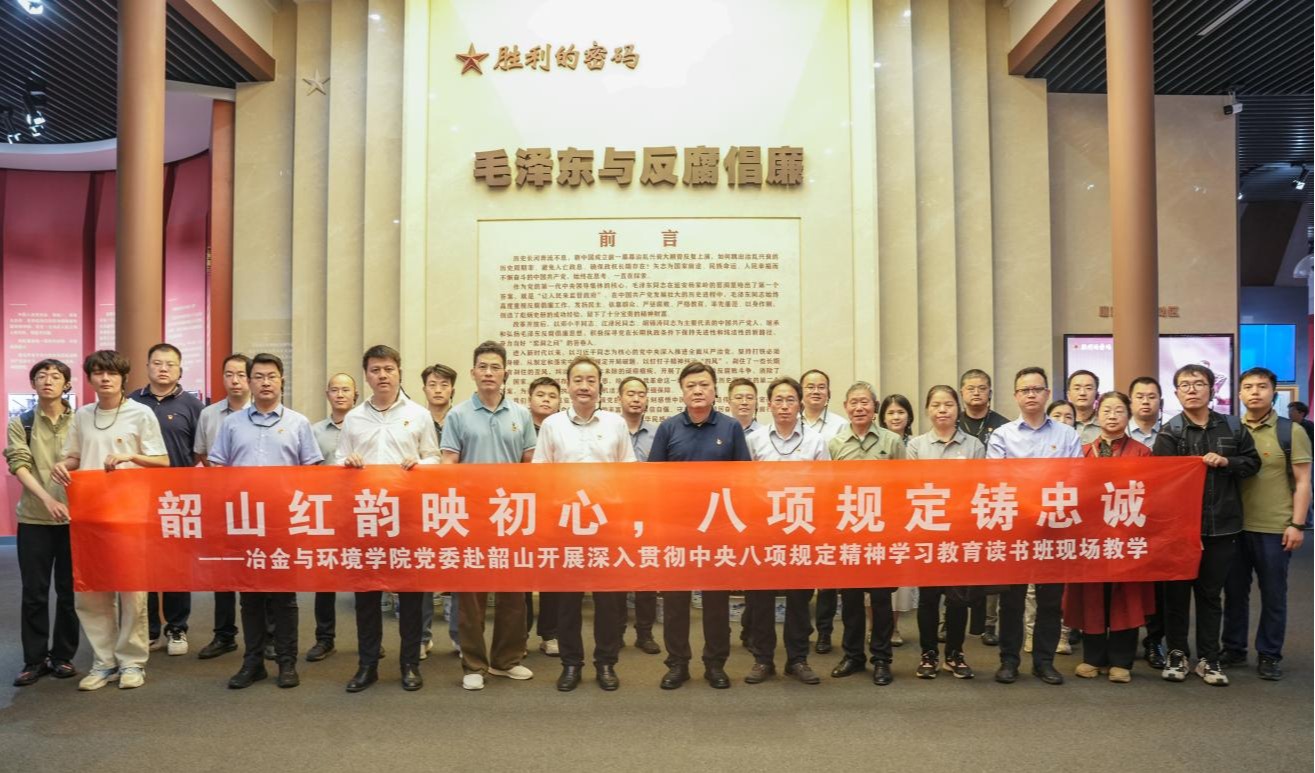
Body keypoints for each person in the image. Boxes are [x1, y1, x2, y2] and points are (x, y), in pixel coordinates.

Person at [52, 350, 169, 690]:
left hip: (130, 515)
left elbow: (162, 460)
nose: (105, 378)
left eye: (112, 373)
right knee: (91, 591)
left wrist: (130, 456)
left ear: (123, 378)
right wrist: (63, 466)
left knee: (132, 591)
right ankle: (103, 661)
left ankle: (132, 661)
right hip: (90, 514)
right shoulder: (82, 415)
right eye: (98, 373)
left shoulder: (140, 413)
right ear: (89, 378)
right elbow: (74, 456)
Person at [209, 353, 323, 689]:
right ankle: (253, 662)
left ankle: (287, 662)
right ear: (249, 382)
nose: (265, 383)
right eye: (258, 377)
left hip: (283, 523)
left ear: (282, 380)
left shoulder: (299, 423)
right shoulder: (232, 424)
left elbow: (312, 472)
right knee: (250, 597)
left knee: (284, 597)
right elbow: (216, 466)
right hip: (245, 523)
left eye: (271, 376)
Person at [336, 345, 440, 692]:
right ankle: (367, 665)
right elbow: (337, 460)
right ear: (366, 375)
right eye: (376, 369)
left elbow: (434, 458)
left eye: (389, 369)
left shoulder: (419, 415)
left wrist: (420, 464)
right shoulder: (354, 418)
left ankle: (410, 664)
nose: (383, 375)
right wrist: (347, 463)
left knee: (410, 596)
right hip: (366, 517)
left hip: (406, 517)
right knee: (366, 596)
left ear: (399, 372)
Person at [533, 355, 636, 691]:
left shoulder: (615, 424)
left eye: (591, 380)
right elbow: (540, 474)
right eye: (578, 380)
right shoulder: (552, 425)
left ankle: (606, 663)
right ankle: (571, 664)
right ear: (568, 385)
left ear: (600, 386)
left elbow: (629, 471)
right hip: (566, 525)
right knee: (567, 600)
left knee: (608, 601)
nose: (584, 386)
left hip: (607, 525)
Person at [1153, 363, 1260, 686]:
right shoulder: (1170, 432)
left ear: (1212, 389)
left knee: (1211, 595)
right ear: (1176, 393)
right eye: (1184, 385)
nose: (1192, 389)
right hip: (1179, 530)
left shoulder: (1233, 427)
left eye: (1198, 383)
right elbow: (1161, 481)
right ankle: (1177, 653)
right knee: (1176, 594)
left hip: (1222, 525)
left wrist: (1227, 461)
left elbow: (1253, 463)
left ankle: (1209, 658)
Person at [648, 361, 752, 690]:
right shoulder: (668, 428)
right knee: (675, 602)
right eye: (691, 385)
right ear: (682, 392)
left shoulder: (731, 428)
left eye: (704, 385)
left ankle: (715, 664)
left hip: (717, 529)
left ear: (714, 390)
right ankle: (677, 663)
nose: (697, 390)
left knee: (716, 603)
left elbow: (744, 478)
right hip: (677, 529)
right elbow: (652, 479)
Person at [442, 340, 537, 692]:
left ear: (505, 373)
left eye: (495, 367)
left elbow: (530, 464)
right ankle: (473, 663)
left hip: (512, 515)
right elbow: (449, 463)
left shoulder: (521, 415)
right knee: (471, 594)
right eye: (482, 366)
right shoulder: (458, 415)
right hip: (471, 516)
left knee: (514, 592)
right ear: (472, 372)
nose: (489, 373)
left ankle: (505, 660)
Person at [986, 367, 1082, 686]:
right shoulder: (1002, 435)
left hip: (1054, 528)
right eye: (1024, 390)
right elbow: (996, 480)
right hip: (1015, 528)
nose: (1031, 395)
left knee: (1050, 600)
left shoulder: (1067, 435)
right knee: (1012, 600)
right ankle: (1009, 661)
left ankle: (1044, 662)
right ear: (1016, 395)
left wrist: (1044, 499)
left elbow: (1075, 478)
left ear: (1047, 394)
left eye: (1037, 389)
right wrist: (1031, 499)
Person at [1222, 367, 1311, 681]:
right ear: (1240, 393)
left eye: (1262, 386)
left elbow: (1303, 482)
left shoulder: (1291, 432)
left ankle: (1269, 654)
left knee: (1273, 594)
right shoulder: (1230, 428)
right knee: (1234, 592)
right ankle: (1233, 648)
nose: (1255, 392)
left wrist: (1297, 524)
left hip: (1275, 527)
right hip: (1234, 526)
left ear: (1274, 392)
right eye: (1248, 387)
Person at [743, 376, 829, 685]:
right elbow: (744, 485)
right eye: (778, 400)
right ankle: (763, 659)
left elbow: (825, 486)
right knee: (760, 599)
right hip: (763, 530)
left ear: (799, 404)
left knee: (799, 599)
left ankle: (798, 659)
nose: (784, 406)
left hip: (801, 529)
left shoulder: (815, 442)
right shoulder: (754, 441)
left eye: (790, 400)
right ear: (768, 405)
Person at [1066, 391, 1156, 684]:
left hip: (1126, 535)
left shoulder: (1142, 452)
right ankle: (1093, 658)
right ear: (1096, 414)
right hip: (1091, 537)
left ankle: (1121, 660)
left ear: (1128, 415)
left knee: (1124, 597)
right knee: (1092, 596)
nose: (1112, 415)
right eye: (1106, 410)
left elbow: (1151, 492)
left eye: (1119, 410)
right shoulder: (1081, 451)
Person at [128, 342, 204, 656]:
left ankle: (176, 628)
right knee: (143, 565)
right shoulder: (131, 402)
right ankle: (147, 629)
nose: (163, 369)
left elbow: (199, 451)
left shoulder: (193, 405)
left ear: (180, 369)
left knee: (176, 565)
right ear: (147, 367)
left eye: (170, 364)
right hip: (138, 496)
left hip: (178, 497)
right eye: (157, 363)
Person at [827, 381, 905, 686]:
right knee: (850, 600)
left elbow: (904, 486)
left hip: (881, 534)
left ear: (875, 408)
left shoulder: (892, 441)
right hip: (848, 534)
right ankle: (853, 655)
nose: (859, 408)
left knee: (881, 600)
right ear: (845, 407)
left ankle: (882, 659)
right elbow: (829, 490)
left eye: (865, 402)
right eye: (854, 403)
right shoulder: (835, 444)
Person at [6, 359, 78, 687]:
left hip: (74, 519)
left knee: (69, 591)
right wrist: (48, 499)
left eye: (56, 376)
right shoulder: (21, 422)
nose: (48, 380)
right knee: (34, 592)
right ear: (33, 384)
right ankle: (34, 660)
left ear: (67, 384)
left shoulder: (80, 420)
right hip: (34, 517)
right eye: (41, 376)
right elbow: (19, 463)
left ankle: (62, 656)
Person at [906, 385, 984, 681]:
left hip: (960, 533)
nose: (942, 410)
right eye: (936, 405)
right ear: (927, 409)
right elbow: (912, 487)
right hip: (927, 532)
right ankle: (928, 654)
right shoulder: (916, 446)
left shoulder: (974, 446)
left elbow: (979, 487)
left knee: (958, 598)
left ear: (958, 409)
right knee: (928, 598)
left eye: (948, 404)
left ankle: (954, 653)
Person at [191, 353, 252, 661]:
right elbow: (202, 453)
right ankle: (224, 635)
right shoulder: (209, 414)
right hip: (221, 503)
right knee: (223, 569)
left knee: (259, 568)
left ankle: (266, 636)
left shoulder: (263, 412)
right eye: (229, 374)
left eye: (241, 374)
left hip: (257, 505)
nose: (235, 380)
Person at [306, 372, 358, 663]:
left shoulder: (365, 427)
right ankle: (324, 639)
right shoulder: (315, 431)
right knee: (324, 579)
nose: (340, 394)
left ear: (355, 396)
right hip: (326, 512)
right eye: (335, 390)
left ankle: (370, 638)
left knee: (364, 578)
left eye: (346, 390)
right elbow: (308, 470)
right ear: (327, 395)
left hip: (361, 511)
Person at [958, 368, 1009, 647]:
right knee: (954, 563)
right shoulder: (953, 421)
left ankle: (990, 624)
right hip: (957, 505)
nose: (976, 393)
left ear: (990, 392)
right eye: (970, 388)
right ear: (962, 393)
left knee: (990, 565)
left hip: (992, 502)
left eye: (982, 388)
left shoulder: (1003, 426)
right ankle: (949, 619)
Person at [800, 369, 847, 654]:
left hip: (829, 508)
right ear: (801, 393)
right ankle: (802, 631)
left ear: (829, 393)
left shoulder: (841, 426)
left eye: (821, 387)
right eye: (810, 387)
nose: (816, 391)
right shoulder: (790, 422)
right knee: (802, 572)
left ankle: (825, 632)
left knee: (828, 576)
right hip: (798, 509)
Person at [617, 376, 661, 655]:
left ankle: (645, 633)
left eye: (641, 394)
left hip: (648, 512)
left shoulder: (658, 432)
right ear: (619, 398)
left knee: (647, 574)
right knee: (618, 574)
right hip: (615, 512)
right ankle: (617, 631)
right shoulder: (610, 429)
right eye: (630, 394)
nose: (636, 399)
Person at [419, 363, 459, 662]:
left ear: (452, 389)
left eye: (444, 384)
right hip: (422, 505)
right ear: (424, 389)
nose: (438, 390)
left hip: (457, 507)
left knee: (458, 574)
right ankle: (422, 637)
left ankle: (459, 637)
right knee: (422, 575)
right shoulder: (415, 419)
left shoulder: (460, 419)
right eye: (432, 384)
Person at [1127, 375, 1167, 668]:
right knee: (1124, 585)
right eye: (1140, 396)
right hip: (1120, 520)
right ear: (1130, 402)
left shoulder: (1170, 435)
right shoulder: (1115, 433)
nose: (1145, 401)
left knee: (1158, 587)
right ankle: (1121, 640)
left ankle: (1155, 641)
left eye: (1151, 396)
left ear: (1160, 402)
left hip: (1156, 521)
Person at [525, 375, 562, 656]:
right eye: (541, 394)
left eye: (552, 395)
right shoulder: (519, 426)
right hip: (524, 511)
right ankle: (520, 635)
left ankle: (550, 634)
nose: (546, 400)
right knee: (524, 576)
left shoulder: (562, 428)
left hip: (556, 511)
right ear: (530, 399)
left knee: (552, 575)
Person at [878, 393, 917, 641]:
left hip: (905, 518)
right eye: (890, 412)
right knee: (875, 578)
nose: (895, 417)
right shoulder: (877, 442)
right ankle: (874, 627)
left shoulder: (916, 444)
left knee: (899, 578)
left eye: (900, 412)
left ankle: (893, 627)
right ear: (882, 417)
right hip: (876, 515)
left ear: (909, 416)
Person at [1066, 370, 1101, 444]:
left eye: (1088, 388)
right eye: (1077, 388)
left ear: (1097, 394)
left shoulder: (1106, 423)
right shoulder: (1061, 423)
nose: (1082, 393)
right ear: (1068, 395)